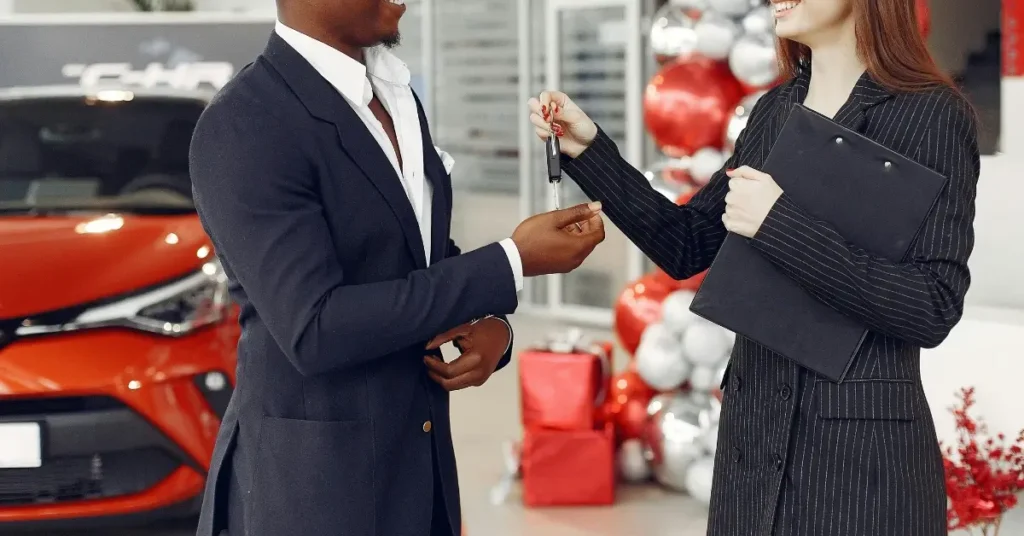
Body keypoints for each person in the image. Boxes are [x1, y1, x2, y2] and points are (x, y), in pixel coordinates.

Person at [528, 0, 979, 534]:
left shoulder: (932, 114)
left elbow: (932, 305)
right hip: (751, 448)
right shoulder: (773, 112)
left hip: (863, 465)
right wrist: (589, 151)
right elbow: (687, 244)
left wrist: (777, 224)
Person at [189, 0, 605, 534]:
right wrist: (512, 261)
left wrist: (491, 327)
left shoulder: (395, 93)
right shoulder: (245, 123)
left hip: (420, 473)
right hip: (315, 494)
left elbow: (412, 256)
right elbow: (315, 327)